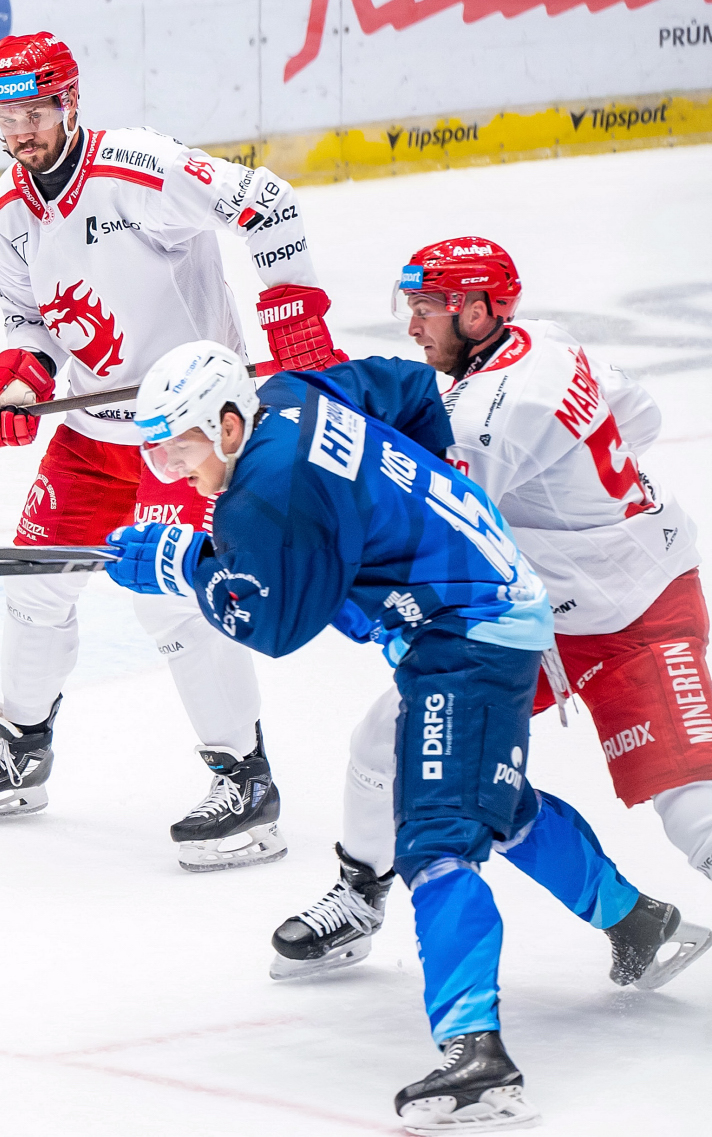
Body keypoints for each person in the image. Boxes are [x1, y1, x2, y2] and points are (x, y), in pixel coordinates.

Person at [102, 341, 706, 1133]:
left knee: (438, 840)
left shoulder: (268, 489)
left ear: (225, 424)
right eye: (156, 452)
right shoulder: (291, 393)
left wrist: (189, 568)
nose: (170, 469)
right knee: (485, 797)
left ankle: (479, 1057)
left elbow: (276, 626)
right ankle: (636, 922)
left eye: (177, 448)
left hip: (471, 630)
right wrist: (431, 493)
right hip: (473, 605)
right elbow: (411, 385)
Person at [0, 30, 346, 874]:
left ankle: (246, 782)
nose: (21, 131)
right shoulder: (5, 217)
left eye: (36, 112)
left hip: (189, 433)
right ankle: (21, 750)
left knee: (171, 600)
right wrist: (18, 380)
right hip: (93, 437)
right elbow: (32, 324)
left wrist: (294, 315)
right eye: (5, 117)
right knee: (33, 584)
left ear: (70, 103)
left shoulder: (140, 168)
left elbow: (267, 202)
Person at [270, 236, 710, 978]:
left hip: (639, 611)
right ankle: (360, 895)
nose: (413, 326)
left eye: (426, 309)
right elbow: (643, 416)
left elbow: (436, 524)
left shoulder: (484, 419)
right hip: (539, 616)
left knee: (694, 808)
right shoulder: (548, 342)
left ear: (476, 314)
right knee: (387, 743)